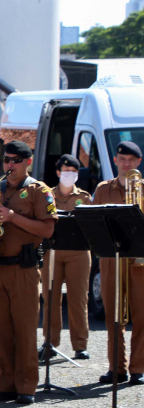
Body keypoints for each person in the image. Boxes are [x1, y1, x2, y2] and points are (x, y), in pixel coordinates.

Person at [0, 141, 56, 404]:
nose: (10, 165)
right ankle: (5, 383)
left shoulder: (38, 191)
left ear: (28, 162)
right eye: (7, 160)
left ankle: (27, 385)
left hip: (24, 269)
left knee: (25, 329)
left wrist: (12, 217)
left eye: (16, 160)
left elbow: (48, 230)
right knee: (0, 329)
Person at [92, 140, 144, 386]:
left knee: (141, 316)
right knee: (114, 315)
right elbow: (94, 221)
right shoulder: (103, 189)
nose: (126, 164)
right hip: (112, 258)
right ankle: (117, 368)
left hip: (139, 260)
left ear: (138, 162)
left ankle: (138, 368)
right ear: (115, 161)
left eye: (131, 160)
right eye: (122, 160)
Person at [40, 154, 92, 361]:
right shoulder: (47, 195)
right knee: (50, 298)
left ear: (77, 175)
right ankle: (50, 342)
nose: (69, 175)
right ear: (58, 172)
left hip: (78, 252)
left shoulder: (85, 197)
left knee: (78, 299)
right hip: (52, 251)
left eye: (73, 172)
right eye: (65, 171)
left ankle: (80, 345)